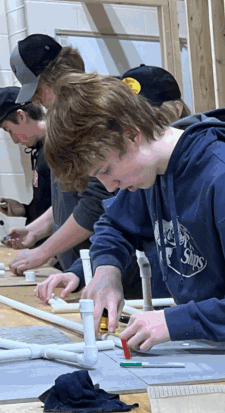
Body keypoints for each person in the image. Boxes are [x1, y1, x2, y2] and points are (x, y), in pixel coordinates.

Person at [43, 72, 225, 381]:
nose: (110, 186)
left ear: (131, 135)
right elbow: (114, 224)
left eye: (106, 170)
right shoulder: (151, 172)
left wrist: (173, 322)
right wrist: (107, 271)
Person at [34, 64, 189, 304]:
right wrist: (83, 272)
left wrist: (172, 320)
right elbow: (117, 226)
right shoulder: (144, 175)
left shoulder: (208, 173)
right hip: (159, 312)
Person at [7, 34, 107, 275]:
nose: (34, 99)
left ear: (55, 77)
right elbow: (71, 198)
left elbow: (96, 202)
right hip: (78, 269)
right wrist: (35, 231)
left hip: (100, 265)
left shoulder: (88, 117)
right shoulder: (63, 121)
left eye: (37, 89)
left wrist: (43, 251)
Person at [0, 87, 51, 230]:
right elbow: (50, 207)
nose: (15, 140)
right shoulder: (40, 150)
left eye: (10, 130)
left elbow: (69, 214)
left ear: (21, 116)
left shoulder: (57, 151)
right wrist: (24, 210)